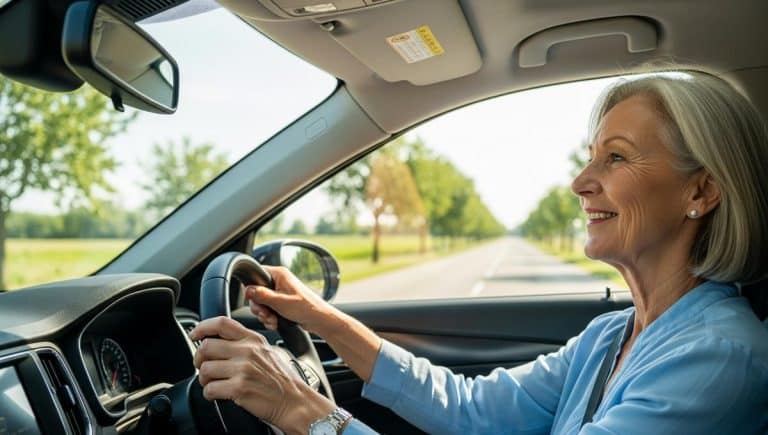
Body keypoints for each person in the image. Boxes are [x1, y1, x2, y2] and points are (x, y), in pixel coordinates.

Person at [189, 72, 768, 434]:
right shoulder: (612, 335)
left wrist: (301, 410)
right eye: (590, 156)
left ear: (701, 191)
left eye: (615, 157)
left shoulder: (717, 359)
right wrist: (322, 318)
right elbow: (469, 409)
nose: (580, 182)